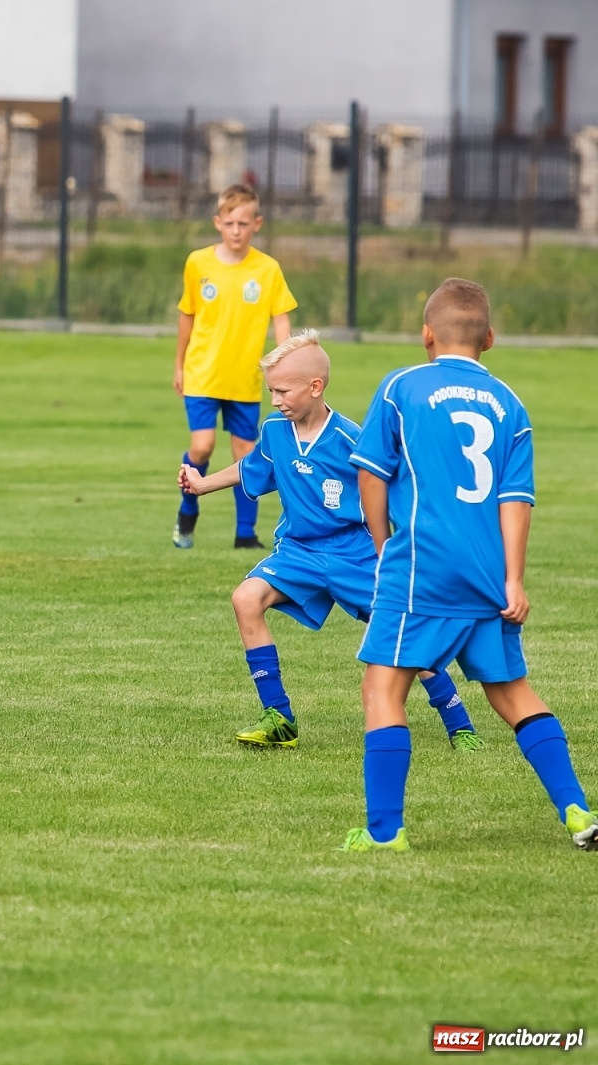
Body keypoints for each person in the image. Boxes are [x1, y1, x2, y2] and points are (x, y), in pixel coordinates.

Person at [340, 279, 596, 853]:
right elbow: (516, 499)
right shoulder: (511, 404)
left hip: (421, 569)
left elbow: (371, 474)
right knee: (513, 695)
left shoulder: (401, 387)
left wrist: (383, 544)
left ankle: (384, 833)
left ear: (426, 335)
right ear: (490, 338)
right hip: (487, 576)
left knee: (383, 690)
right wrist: (513, 578)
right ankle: (577, 810)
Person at [178, 331, 482, 750]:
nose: (275, 400)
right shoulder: (275, 431)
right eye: (271, 391)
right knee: (246, 599)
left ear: (315, 387)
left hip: (355, 553)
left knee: (403, 633)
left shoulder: (350, 440)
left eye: (282, 390)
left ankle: (460, 724)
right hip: (300, 552)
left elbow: (392, 487)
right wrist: (201, 484)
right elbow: (250, 466)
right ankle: (279, 718)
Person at [172, 183, 295, 550]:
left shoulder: (268, 269)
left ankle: (245, 534)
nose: (237, 231)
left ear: (257, 223)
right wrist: (179, 365)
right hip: (202, 374)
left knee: (245, 454)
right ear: (218, 223)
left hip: (243, 379)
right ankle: (187, 509)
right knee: (203, 446)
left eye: (244, 223)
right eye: (230, 223)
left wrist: (285, 364)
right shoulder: (198, 263)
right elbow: (187, 316)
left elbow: (282, 321)